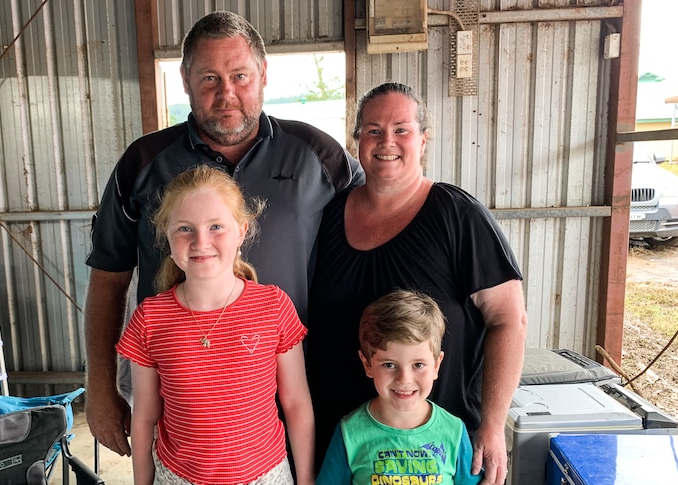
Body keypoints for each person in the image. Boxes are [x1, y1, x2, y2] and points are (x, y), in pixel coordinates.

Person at [84, 10, 363, 456]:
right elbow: (108, 278)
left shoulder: (317, 155)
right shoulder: (143, 164)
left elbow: (373, 234)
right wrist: (99, 389)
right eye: (209, 78)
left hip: (292, 391)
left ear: (263, 75)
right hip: (179, 406)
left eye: (240, 75)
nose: (226, 93)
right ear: (185, 80)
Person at [307, 82, 527, 485]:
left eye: (401, 129)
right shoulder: (329, 216)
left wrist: (493, 425)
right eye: (373, 130)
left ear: (423, 140)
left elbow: (508, 320)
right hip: (348, 448)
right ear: (357, 141)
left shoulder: (457, 214)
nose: (386, 141)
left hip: (437, 454)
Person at [116, 165, 315, 484]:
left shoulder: (273, 306)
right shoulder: (150, 318)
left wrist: (306, 480)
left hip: (266, 475)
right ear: (167, 233)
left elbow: (296, 404)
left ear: (242, 231)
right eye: (184, 229)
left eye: (216, 227)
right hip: (179, 477)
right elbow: (144, 418)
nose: (200, 241)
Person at [317, 289, 482, 485]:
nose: (404, 379)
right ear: (367, 364)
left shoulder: (454, 431)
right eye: (389, 365)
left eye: (418, 365)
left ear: (436, 365)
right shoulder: (350, 432)